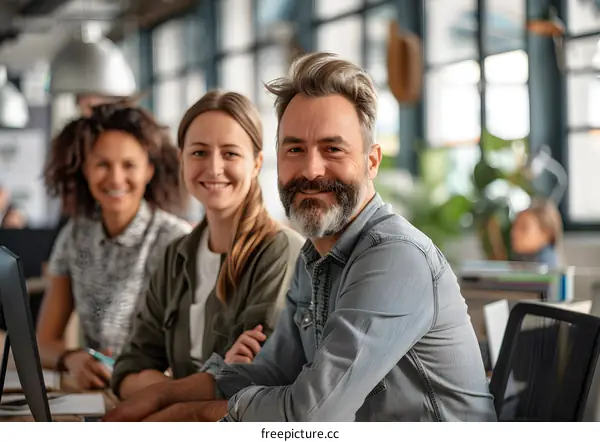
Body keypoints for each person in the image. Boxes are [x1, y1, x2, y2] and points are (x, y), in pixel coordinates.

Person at [103, 52, 496, 422]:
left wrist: (198, 413)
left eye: (332, 149)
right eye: (295, 149)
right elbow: (274, 369)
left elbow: (310, 414)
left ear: (371, 161)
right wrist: (161, 397)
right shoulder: (314, 257)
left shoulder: (393, 258)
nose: (310, 170)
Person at [111, 90, 304, 400]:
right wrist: (207, 382)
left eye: (230, 153)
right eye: (199, 152)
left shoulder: (280, 252)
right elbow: (127, 371)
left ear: (256, 163)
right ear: (181, 159)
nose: (214, 168)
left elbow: (252, 383)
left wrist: (163, 390)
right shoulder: (176, 256)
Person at [37, 103, 192, 390]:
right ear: (84, 169)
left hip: (156, 394)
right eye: (102, 164)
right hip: (98, 394)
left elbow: (192, 354)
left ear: (149, 169)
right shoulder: (75, 236)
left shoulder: (177, 240)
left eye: (129, 165)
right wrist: (72, 359)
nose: (116, 178)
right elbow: (44, 341)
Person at [510, 198, 563, 267]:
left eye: (523, 228)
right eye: (514, 226)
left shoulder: (545, 268)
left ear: (545, 233)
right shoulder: (522, 261)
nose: (514, 232)